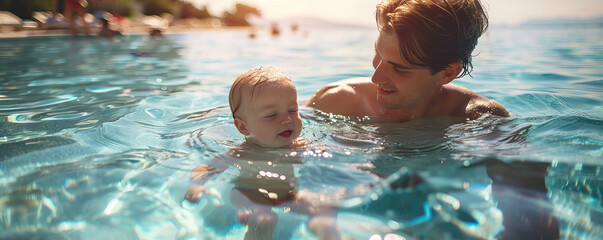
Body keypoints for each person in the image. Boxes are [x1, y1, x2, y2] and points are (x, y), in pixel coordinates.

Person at [185, 67, 342, 240]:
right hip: (250, 193)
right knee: (263, 218)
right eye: (271, 115)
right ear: (243, 127)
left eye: (292, 110)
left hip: (290, 194)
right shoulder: (242, 153)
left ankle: (330, 233)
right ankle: (257, 227)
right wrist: (196, 187)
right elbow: (207, 169)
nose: (287, 119)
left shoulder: (298, 145)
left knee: (322, 207)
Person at [306, 0, 509, 120]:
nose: (375, 78)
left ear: (447, 73)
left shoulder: (481, 117)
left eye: (399, 69)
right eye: (378, 54)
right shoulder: (335, 103)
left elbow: (522, 190)